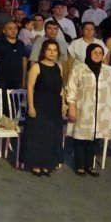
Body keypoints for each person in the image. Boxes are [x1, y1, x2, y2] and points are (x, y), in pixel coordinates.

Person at [65, 44, 111, 177]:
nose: (97, 55)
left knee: (95, 138)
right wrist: (71, 107)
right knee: (80, 137)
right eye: (94, 52)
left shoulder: (109, 70)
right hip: (83, 108)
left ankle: (90, 165)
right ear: (88, 53)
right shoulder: (79, 68)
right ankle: (80, 165)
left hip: (102, 110)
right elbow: (71, 89)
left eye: (100, 53)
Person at [23, 39, 64, 177]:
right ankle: (35, 164)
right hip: (39, 103)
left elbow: (61, 88)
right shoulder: (36, 67)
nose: (52, 53)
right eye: (49, 50)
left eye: (55, 50)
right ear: (44, 51)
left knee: (51, 135)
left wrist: (63, 104)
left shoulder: (59, 67)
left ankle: (48, 164)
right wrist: (31, 106)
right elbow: (30, 87)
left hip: (54, 105)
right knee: (37, 134)